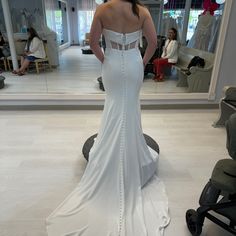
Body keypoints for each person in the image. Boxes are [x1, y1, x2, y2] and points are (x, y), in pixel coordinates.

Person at [46, 0, 170, 235]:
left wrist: (106, 60)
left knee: (113, 108)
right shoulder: (142, 11)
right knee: (130, 109)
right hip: (134, 64)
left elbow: (92, 43)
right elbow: (153, 42)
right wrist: (142, 62)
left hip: (112, 64)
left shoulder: (103, 9)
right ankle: (131, 156)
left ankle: (109, 153)